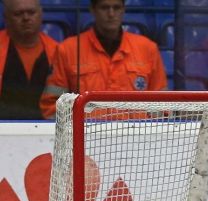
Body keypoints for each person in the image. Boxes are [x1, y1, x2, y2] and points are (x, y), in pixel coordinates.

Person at [39, 0, 167, 119]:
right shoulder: (68, 50)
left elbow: (163, 105)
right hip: (84, 139)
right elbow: (52, 106)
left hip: (137, 139)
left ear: (123, 10)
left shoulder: (147, 49)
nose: (111, 14)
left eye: (116, 8)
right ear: (92, 10)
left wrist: (149, 134)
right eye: (104, 7)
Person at [0, 0, 58, 119]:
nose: (26, 18)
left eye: (31, 12)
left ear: (41, 14)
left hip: (48, 129)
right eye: (18, 14)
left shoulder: (58, 52)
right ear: (6, 18)